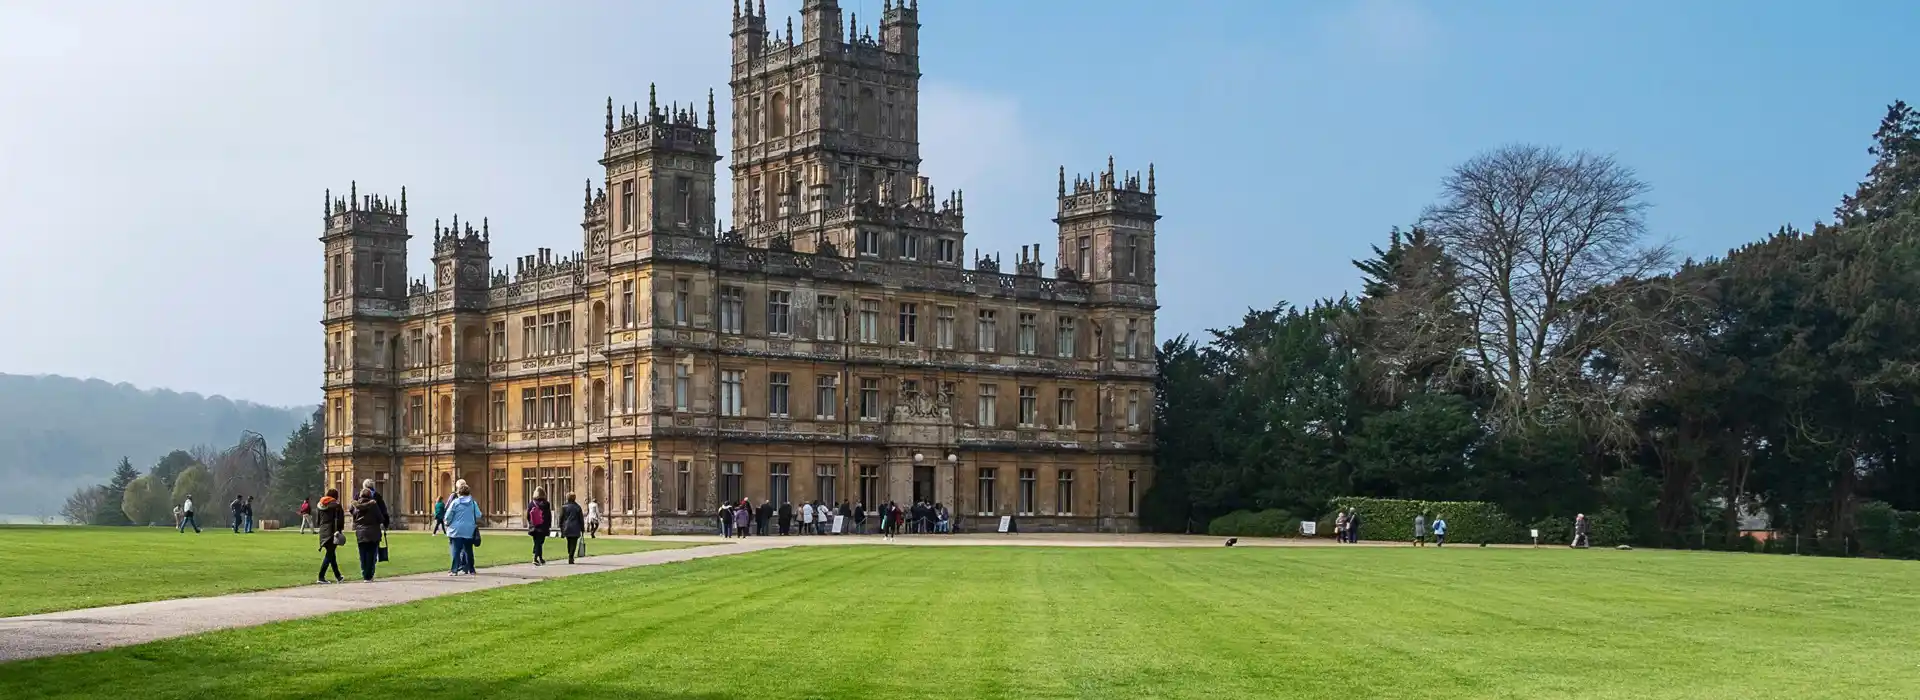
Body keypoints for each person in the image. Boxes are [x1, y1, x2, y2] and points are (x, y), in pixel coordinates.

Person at [444, 479, 481, 575]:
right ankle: (471, 570)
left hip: (456, 530)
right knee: (469, 551)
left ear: (459, 493)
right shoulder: (473, 503)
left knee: (456, 551)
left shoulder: (455, 502)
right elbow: (478, 515)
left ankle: (454, 570)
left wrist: (447, 523)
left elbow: (448, 515)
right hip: (469, 530)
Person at [349, 488, 383, 582]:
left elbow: (353, 515)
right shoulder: (373, 505)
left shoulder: (356, 505)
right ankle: (370, 575)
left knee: (362, 555)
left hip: (361, 533)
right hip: (373, 533)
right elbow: (380, 518)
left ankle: (365, 574)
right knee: (372, 555)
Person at [314, 488, 345, 584]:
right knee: (330, 554)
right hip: (332, 531)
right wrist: (339, 531)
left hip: (323, 531)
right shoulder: (337, 506)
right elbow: (340, 521)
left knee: (331, 554)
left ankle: (338, 576)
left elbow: (318, 521)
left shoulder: (320, 505)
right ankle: (321, 576)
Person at [527, 488, 553, 566]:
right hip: (543, 526)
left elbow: (528, 515)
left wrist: (531, 523)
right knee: (539, 542)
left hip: (534, 526)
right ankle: (535, 558)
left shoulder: (531, 503)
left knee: (537, 542)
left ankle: (540, 558)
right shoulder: (546, 504)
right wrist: (549, 525)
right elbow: (549, 516)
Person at [559, 492, 586, 565]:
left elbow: (561, 518)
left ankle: (570, 554)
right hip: (575, 527)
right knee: (573, 543)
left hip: (567, 527)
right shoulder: (577, 507)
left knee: (569, 541)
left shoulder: (564, 507)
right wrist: (582, 528)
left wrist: (561, 527)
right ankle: (571, 556)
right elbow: (581, 519)